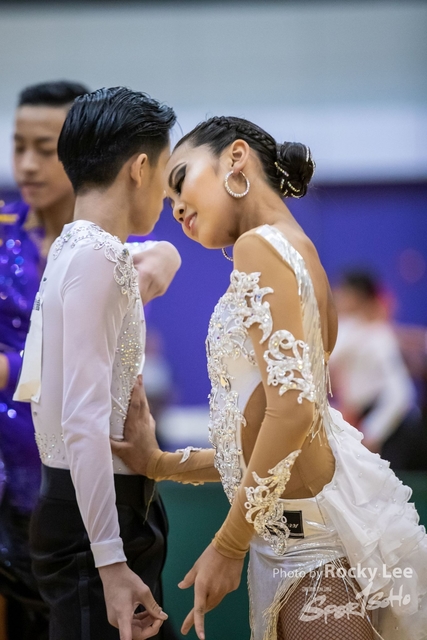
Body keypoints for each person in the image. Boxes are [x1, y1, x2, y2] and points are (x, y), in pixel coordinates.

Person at [113, 116, 427, 640]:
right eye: (169, 203)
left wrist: (227, 544)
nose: (177, 208)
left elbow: (293, 414)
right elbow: (276, 441)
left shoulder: (260, 246)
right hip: (308, 538)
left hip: (309, 551)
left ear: (236, 158)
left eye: (181, 182)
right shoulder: (302, 253)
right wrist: (162, 463)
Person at [0, 81, 181, 640]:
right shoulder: (96, 255)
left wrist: (167, 254)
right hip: (92, 516)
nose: (169, 194)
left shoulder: (80, 246)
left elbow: (155, 253)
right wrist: (109, 558)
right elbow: (82, 419)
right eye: (167, 172)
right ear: (140, 168)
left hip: (92, 505)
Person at [330, 270, 427, 470]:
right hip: (358, 419)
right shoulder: (348, 329)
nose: (337, 295)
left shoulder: (380, 336)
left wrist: (373, 431)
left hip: (391, 427)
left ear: (358, 297)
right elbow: (334, 355)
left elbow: (400, 394)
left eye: (343, 292)